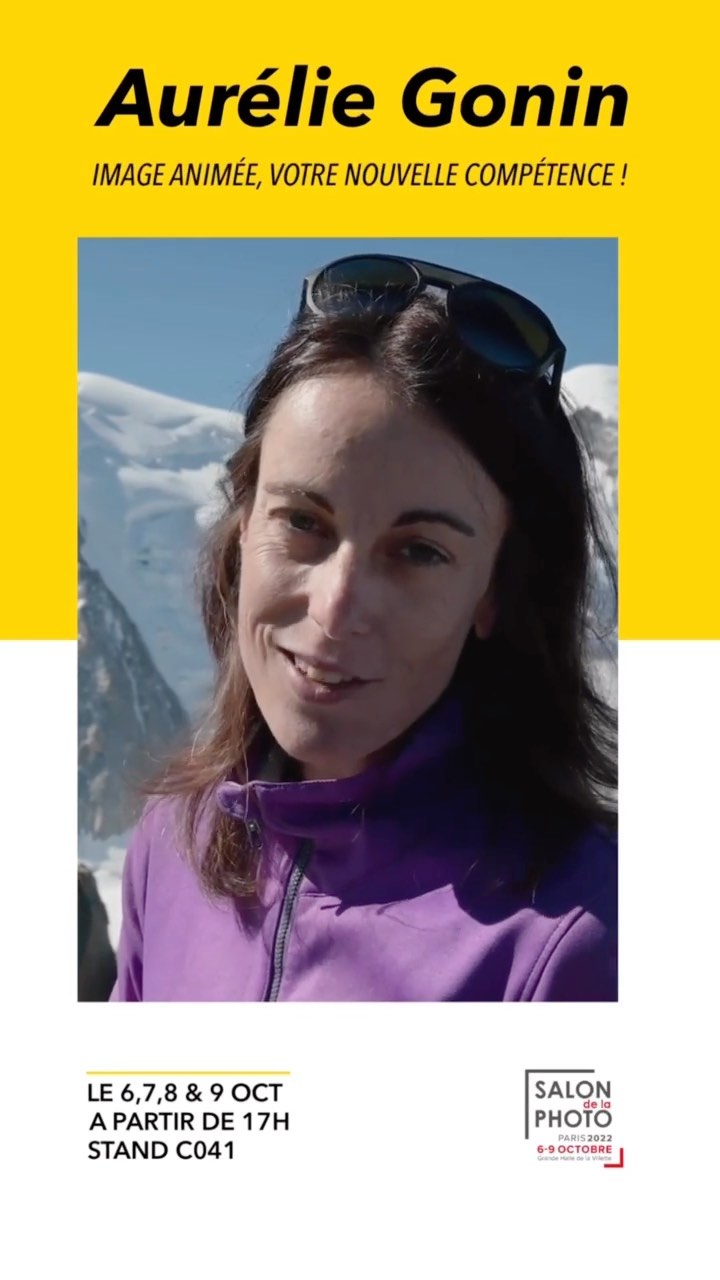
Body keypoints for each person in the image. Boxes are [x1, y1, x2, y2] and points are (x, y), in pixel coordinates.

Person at [111, 253, 618, 1002]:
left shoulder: (579, 938)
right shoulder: (169, 847)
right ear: (243, 526)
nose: (336, 608)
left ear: (495, 591)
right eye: (302, 522)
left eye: (418, 552)